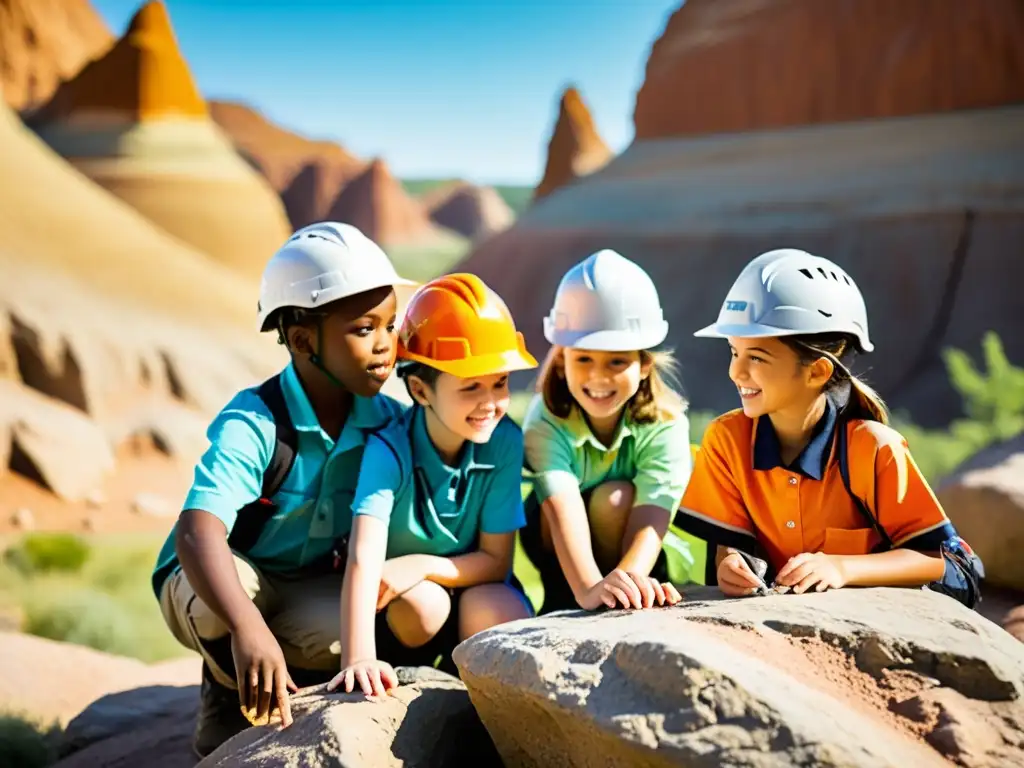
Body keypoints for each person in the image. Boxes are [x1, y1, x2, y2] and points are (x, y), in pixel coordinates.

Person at [150, 222, 414, 757]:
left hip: (304, 584)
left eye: (391, 324)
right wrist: (249, 631)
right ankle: (227, 690)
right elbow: (198, 533)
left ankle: (277, 682)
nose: (386, 345)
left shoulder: (390, 422)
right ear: (301, 341)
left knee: (351, 632)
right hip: (222, 577)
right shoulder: (255, 420)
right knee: (226, 600)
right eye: (365, 329)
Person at [676, 248, 982, 606]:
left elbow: (934, 560)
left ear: (817, 371)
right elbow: (730, 539)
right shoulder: (726, 439)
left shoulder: (873, 447)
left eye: (756, 357)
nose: (736, 372)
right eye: (733, 352)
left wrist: (842, 568)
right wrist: (729, 562)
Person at [326, 273, 538, 697]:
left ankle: (487, 701)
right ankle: (408, 682)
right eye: (471, 386)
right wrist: (358, 658)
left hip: (472, 587)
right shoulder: (388, 450)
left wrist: (420, 563)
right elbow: (364, 559)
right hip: (408, 607)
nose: (491, 403)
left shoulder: (504, 442)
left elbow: (497, 563)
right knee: (425, 606)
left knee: (505, 612)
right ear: (421, 390)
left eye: (500, 383)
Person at [519, 249, 690, 615]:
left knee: (614, 498)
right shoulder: (544, 418)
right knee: (581, 503)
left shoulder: (667, 421)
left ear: (644, 365)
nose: (599, 376)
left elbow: (653, 513)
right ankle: (563, 600)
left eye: (617, 360)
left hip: (635, 539)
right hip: (560, 544)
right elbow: (560, 504)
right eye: (584, 358)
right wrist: (587, 590)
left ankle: (632, 587)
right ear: (562, 362)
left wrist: (626, 584)